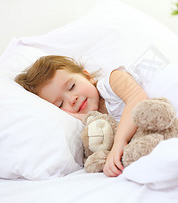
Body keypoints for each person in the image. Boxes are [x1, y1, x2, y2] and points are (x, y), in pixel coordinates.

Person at [15, 55, 149, 177]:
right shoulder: (93, 125)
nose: (72, 99)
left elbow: (138, 101)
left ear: (88, 77)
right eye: (61, 104)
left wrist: (120, 141)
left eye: (72, 86)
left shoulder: (112, 81)